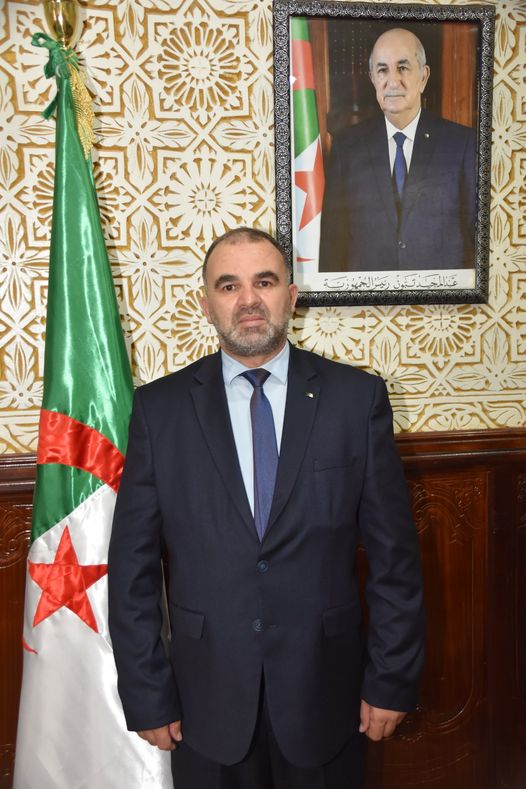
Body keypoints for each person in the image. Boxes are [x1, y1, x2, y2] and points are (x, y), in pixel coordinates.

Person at [108, 227, 425, 789]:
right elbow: (132, 569)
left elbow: (394, 560)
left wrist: (391, 679)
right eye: (229, 285)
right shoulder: (159, 410)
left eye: (265, 282)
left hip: (327, 696)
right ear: (206, 304)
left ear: (292, 296)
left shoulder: (356, 400)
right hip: (204, 704)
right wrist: (147, 692)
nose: (248, 300)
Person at [319, 28, 476, 272]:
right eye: (382, 70)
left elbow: (476, 238)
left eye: (403, 68)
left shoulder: (463, 144)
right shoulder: (347, 148)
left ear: (423, 77)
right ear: (373, 78)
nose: (392, 81)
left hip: (440, 293)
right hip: (368, 292)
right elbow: (333, 243)